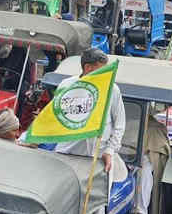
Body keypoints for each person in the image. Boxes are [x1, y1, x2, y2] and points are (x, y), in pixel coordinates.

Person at [53, 48, 125, 178]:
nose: (105, 74)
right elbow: (54, 118)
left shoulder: (112, 89)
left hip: (99, 158)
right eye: (102, 70)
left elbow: (119, 125)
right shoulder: (66, 86)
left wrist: (109, 151)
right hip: (68, 154)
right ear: (88, 68)